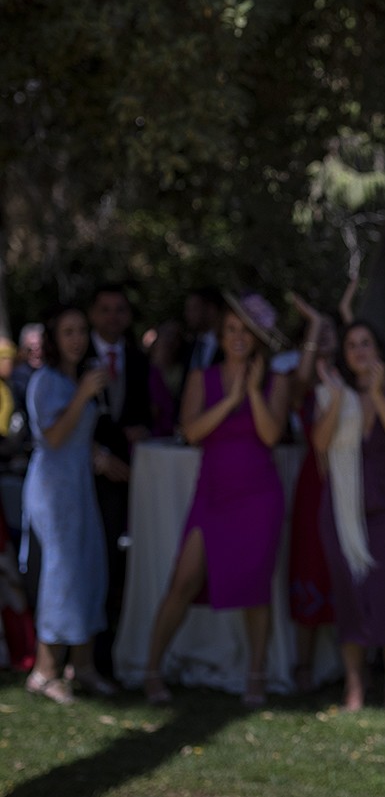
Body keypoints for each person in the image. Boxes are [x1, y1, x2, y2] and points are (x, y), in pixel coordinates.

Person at [143, 292, 291, 707]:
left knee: (255, 588)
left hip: (259, 496)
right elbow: (191, 432)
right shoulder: (200, 378)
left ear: (257, 337)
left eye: (246, 330)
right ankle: (152, 669)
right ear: (221, 335)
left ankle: (256, 677)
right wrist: (229, 400)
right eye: (231, 330)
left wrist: (253, 391)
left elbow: (271, 435)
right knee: (183, 580)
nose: (238, 337)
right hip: (213, 493)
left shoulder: (275, 382)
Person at [314, 321, 385, 711]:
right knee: (351, 593)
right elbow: (319, 444)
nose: (359, 350)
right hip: (343, 507)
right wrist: (340, 399)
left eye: (366, 342)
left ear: (377, 349)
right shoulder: (331, 393)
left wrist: (376, 393)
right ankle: (354, 684)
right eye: (352, 345)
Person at [20, 306, 117, 703]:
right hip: (52, 489)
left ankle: (85, 666)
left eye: (81, 331)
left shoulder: (74, 378)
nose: (76, 339)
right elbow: (53, 436)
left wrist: (103, 457)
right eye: (68, 332)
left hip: (79, 486)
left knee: (90, 567)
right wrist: (82, 395)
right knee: (63, 577)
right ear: (54, 339)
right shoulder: (45, 382)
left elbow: (78, 437)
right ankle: (44, 672)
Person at [85, 283, 151, 679]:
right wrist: (99, 456)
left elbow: (140, 409)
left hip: (132, 474)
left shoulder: (137, 360)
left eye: (119, 309)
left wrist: (138, 431)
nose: (112, 317)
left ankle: (117, 649)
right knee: (99, 561)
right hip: (89, 478)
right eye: (105, 309)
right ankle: (92, 654)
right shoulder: (77, 358)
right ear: (94, 313)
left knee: (125, 563)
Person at [286, 295, 337, 693]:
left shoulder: (350, 375)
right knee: (309, 562)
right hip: (313, 484)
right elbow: (301, 380)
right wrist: (314, 324)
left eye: (330, 333)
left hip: (351, 479)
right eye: (318, 335)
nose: (325, 340)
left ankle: (347, 662)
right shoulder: (301, 381)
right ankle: (303, 664)